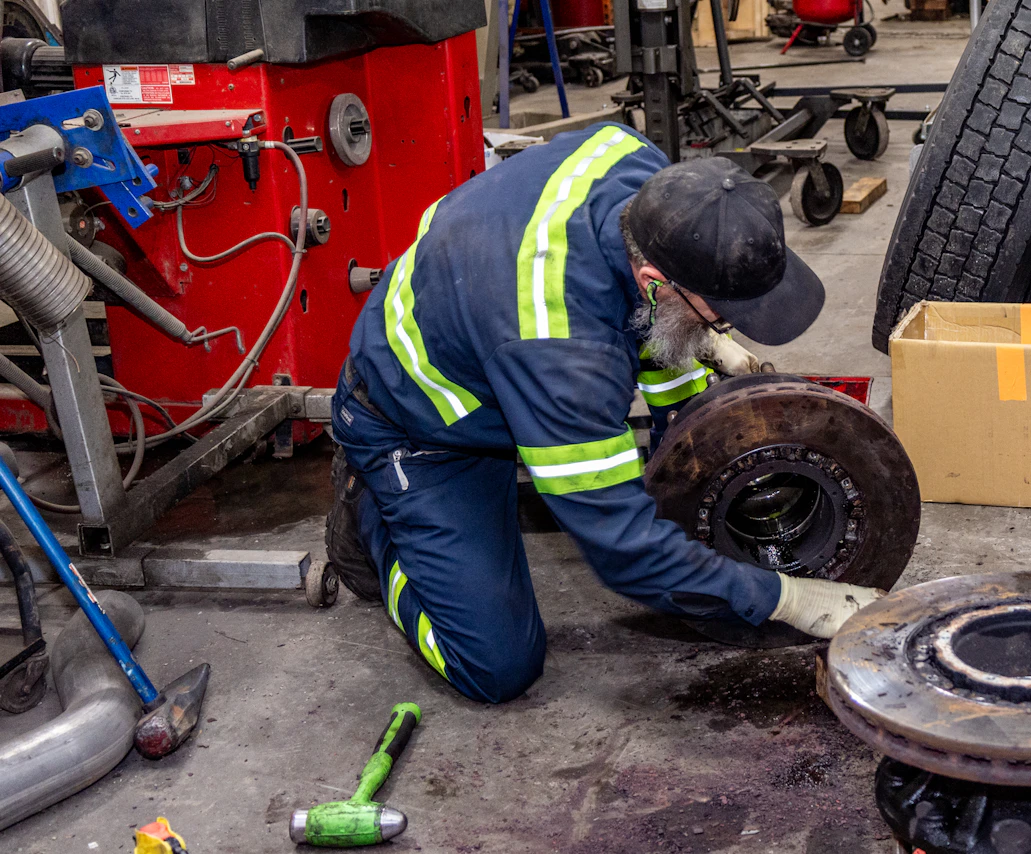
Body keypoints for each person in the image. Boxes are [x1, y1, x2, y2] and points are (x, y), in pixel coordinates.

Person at [327, 123, 882, 703]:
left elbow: (648, 325)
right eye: (721, 317)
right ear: (654, 281)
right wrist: (783, 599)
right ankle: (372, 514)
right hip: (419, 427)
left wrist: (703, 381)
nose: (728, 328)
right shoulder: (560, 351)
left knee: (673, 358)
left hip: (490, 335)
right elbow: (623, 550)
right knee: (495, 666)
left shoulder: (648, 177)